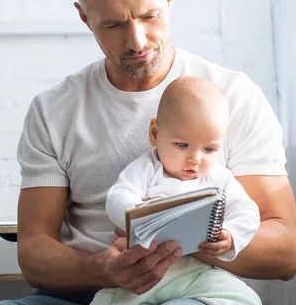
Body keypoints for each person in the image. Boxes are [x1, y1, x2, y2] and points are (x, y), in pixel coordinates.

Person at [0, 0, 296, 305]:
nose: (136, 40)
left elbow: (286, 253)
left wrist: (184, 237)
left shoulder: (233, 95)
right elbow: (33, 253)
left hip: (194, 286)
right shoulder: (53, 110)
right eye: (113, 25)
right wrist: (103, 269)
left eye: (149, 16)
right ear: (84, 17)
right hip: (85, 292)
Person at [91, 76, 261, 305]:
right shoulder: (148, 168)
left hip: (196, 273)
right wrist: (141, 214)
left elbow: (247, 209)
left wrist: (231, 235)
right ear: (154, 133)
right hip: (145, 272)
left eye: (209, 149)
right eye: (182, 145)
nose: (195, 159)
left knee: (244, 297)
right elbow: (117, 197)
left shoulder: (219, 176)